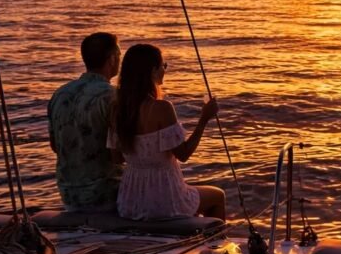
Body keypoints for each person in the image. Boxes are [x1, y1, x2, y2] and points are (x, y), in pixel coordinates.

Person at [109, 44, 226, 220]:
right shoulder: (161, 108)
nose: (164, 70)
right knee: (218, 196)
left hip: (130, 201)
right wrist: (204, 119)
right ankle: (215, 245)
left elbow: (116, 158)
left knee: (194, 192)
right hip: (166, 201)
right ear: (153, 71)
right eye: (163, 66)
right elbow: (184, 154)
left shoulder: (116, 109)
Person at [47, 32, 123, 212]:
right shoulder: (112, 97)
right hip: (107, 193)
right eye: (119, 55)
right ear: (112, 59)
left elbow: (55, 146)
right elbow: (118, 154)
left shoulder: (59, 94)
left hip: (69, 195)